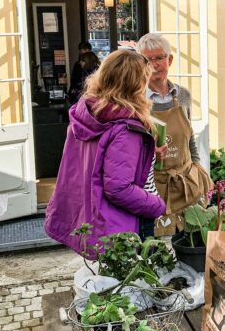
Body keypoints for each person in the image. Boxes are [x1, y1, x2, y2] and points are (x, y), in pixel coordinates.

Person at [45, 50, 166, 252]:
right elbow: (119, 188)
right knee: (138, 280)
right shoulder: (126, 128)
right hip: (128, 220)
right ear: (135, 85)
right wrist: (157, 205)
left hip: (99, 218)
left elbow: (93, 165)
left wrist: (148, 154)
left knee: (110, 279)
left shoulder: (86, 113)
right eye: (144, 79)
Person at [137, 33, 211, 237]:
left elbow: (190, 138)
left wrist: (197, 167)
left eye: (159, 58)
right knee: (161, 249)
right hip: (155, 187)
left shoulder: (183, 95)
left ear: (169, 60)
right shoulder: (136, 101)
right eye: (147, 60)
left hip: (186, 184)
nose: (154, 65)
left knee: (193, 241)